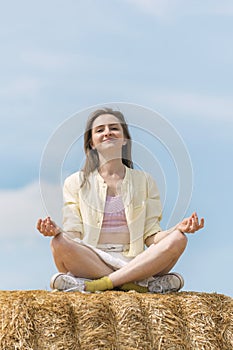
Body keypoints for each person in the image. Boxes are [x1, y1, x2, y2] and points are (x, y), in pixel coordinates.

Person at [37, 108, 204, 293]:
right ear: (91, 143)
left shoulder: (145, 181)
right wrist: (56, 231)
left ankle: (101, 284)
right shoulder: (75, 182)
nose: (107, 132)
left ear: (124, 139)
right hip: (93, 258)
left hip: (136, 260)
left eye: (114, 128)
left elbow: (151, 236)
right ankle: (134, 283)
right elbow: (73, 235)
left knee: (179, 239)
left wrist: (178, 228)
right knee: (58, 243)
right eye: (100, 130)